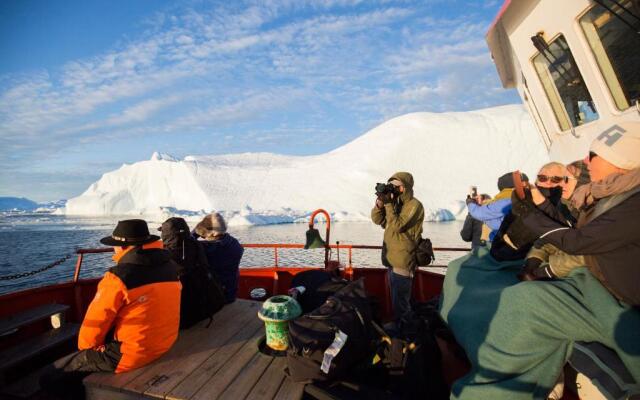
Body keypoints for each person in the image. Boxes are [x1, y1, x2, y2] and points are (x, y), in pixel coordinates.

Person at [40, 219, 181, 400]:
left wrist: (88, 353)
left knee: (50, 377)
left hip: (131, 355)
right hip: (163, 343)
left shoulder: (117, 278)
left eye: (115, 245)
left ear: (123, 248)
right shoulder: (170, 268)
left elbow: (94, 326)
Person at [517, 122, 640, 306]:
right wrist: (538, 207)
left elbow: (579, 242)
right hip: (604, 284)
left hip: (623, 303)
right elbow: (574, 229)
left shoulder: (633, 203)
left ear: (621, 163)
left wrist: (528, 215)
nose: (585, 160)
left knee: (523, 303)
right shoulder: (610, 194)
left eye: (593, 155)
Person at [371, 172, 424, 326]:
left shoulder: (414, 205)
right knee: (396, 299)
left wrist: (388, 204)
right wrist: (380, 203)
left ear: (404, 188)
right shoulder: (395, 205)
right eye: (390, 186)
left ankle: (407, 335)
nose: (392, 189)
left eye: (395, 186)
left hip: (403, 259)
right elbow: (377, 220)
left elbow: (397, 226)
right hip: (391, 259)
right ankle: (400, 330)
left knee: (401, 304)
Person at [159, 217, 225, 329]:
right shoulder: (196, 246)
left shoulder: (163, 255)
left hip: (183, 318)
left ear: (166, 235)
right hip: (204, 307)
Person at [193, 212, 244, 304]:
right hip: (230, 294)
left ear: (211, 233)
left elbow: (188, 242)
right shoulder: (234, 243)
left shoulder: (207, 248)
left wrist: (196, 232)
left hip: (214, 298)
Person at [466, 172, 528, 241]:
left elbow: (480, 213)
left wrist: (470, 203)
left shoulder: (507, 200)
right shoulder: (524, 199)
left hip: (504, 243)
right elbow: (498, 217)